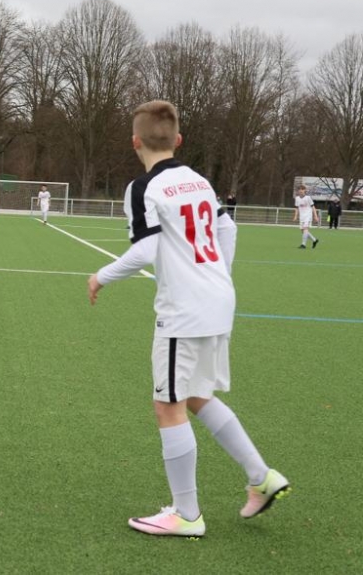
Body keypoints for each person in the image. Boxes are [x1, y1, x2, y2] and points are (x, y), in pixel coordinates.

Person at [87, 100, 289, 538]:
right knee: (196, 395)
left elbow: (145, 250)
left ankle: (187, 515)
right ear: (178, 140)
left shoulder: (143, 187)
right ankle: (262, 476)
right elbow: (228, 229)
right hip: (219, 301)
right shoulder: (199, 180)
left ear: (135, 142)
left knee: (167, 405)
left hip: (185, 310)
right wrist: (216, 276)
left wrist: (100, 276)